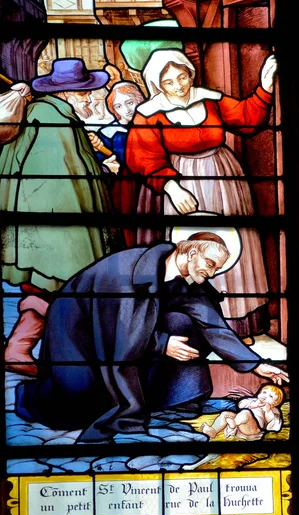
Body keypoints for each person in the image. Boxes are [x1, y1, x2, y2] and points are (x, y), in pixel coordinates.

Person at [14, 232, 289, 442]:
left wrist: (255, 363)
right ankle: (122, 416)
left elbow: (213, 326)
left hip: (125, 340)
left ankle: (171, 399)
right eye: (210, 264)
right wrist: (161, 343)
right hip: (79, 339)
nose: (211, 273)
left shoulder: (190, 280)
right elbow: (114, 331)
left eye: (216, 268)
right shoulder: (127, 272)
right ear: (190, 252)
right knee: (78, 402)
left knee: (183, 323)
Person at [127, 49, 276, 341]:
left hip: (223, 176)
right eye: (169, 81)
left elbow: (247, 118)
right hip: (179, 181)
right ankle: (191, 324)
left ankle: (236, 325)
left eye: (182, 76)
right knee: (188, 246)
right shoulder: (149, 114)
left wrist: (266, 86)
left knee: (234, 241)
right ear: (158, 85)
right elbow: (142, 155)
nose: (179, 85)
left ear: (190, 74)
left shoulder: (210, 100)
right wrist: (171, 186)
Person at [1, 58, 120, 377]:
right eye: (86, 94)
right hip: (56, 221)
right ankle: (20, 348)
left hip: (44, 220)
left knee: (48, 286)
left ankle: (22, 348)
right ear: (68, 93)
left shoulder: (47, 113)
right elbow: (62, 177)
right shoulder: (53, 117)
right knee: (55, 285)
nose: (90, 99)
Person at [89, 81, 146, 246]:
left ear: (140, 101)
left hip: (149, 187)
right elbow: (99, 164)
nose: (126, 110)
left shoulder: (153, 128)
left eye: (130, 103)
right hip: (122, 190)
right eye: (119, 106)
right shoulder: (108, 134)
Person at [201, 384, 284, 441]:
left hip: (253, 430)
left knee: (245, 413)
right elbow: (241, 404)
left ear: (275, 403)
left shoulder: (274, 410)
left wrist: (268, 412)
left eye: (270, 396)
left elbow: (274, 426)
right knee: (225, 414)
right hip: (240, 427)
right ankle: (214, 431)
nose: (265, 396)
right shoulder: (253, 401)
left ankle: (233, 423)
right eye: (264, 392)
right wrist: (253, 405)